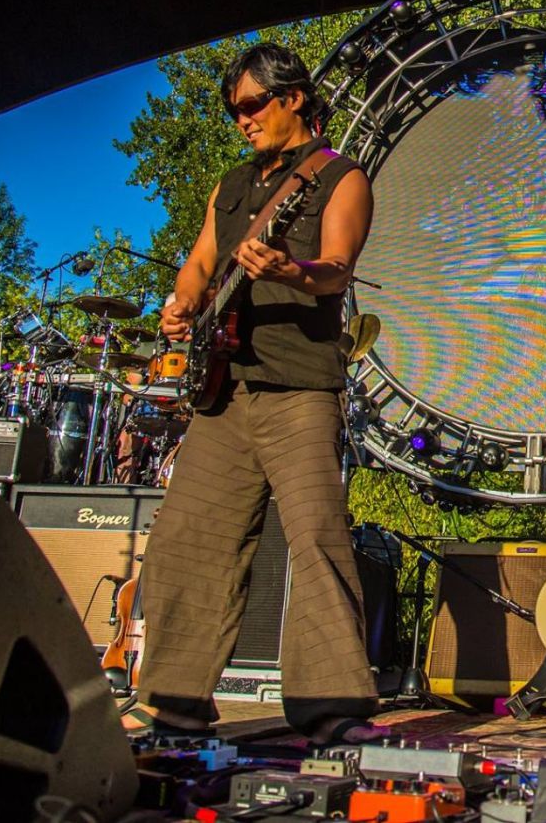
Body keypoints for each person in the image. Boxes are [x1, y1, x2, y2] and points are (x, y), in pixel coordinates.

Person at [120, 43, 384, 745]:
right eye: (233, 110)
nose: (242, 119)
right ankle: (173, 701)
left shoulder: (339, 177)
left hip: (299, 387)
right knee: (187, 539)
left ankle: (331, 708)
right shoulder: (233, 184)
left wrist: (291, 271)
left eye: (251, 105)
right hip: (224, 390)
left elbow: (336, 270)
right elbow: (199, 263)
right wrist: (182, 304)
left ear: (292, 97)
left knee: (317, 541)